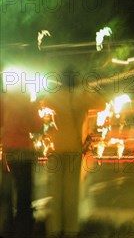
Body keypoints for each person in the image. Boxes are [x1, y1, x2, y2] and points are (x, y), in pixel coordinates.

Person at [42, 67, 106, 238]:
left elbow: (43, 103)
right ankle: (71, 230)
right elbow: (102, 103)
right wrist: (85, 88)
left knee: (56, 192)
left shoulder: (54, 96)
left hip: (56, 148)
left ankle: (55, 229)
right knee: (71, 193)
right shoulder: (80, 97)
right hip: (73, 149)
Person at [1, 79, 43, 238]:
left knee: (6, 188)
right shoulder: (28, 103)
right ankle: (24, 222)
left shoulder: (3, 100)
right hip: (24, 150)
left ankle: (6, 222)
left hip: (8, 150)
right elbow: (37, 126)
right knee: (24, 189)